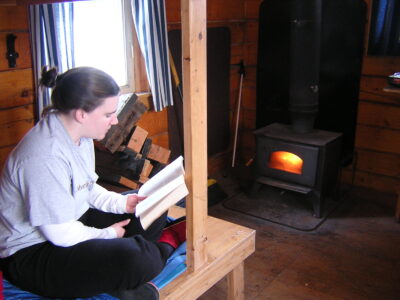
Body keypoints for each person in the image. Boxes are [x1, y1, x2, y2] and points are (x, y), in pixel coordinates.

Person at [0, 66, 186, 298]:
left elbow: (86, 187)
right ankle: (157, 251)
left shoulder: (81, 134)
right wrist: (109, 235)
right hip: (34, 251)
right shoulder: (43, 156)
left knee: (152, 205)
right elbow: (60, 234)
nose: (115, 121)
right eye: (108, 114)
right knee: (136, 258)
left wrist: (123, 204)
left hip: (74, 221)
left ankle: (118, 274)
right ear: (81, 114)